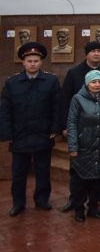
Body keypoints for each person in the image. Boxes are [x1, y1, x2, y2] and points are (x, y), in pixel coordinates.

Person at [59, 41, 100, 211]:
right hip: (81, 131)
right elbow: (65, 99)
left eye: (99, 51)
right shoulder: (74, 73)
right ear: (86, 54)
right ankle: (75, 198)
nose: (96, 54)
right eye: (93, 51)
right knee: (77, 168)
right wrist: (64, 125)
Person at [0, 43, 60, 217]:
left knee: (43, 170)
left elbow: (57, 107)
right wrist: (7, 134)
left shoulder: (51, 81)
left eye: (36, 60)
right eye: (29, 61)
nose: (33, 64)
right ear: (23, 63)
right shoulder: (12, 83)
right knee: (18, 172)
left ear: (41, 63)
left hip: (43, 133)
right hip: (20, 134)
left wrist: (55, 128)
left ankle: (42, 199)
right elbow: (5, 110)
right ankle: (18, 203)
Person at [66, 70, 100, 222]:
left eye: (99, 82)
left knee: (98, 178)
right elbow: (72, 122)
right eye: (93, 82)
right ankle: (79, 209)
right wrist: (73, 146)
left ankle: (93, 207)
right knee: (81, 181)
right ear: (87, 84)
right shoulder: (77, 99)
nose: (97, 85)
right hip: (84, 145)